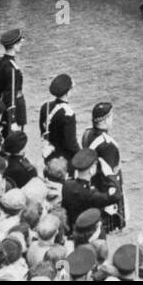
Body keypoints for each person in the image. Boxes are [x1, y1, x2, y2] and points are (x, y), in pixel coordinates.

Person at [81, 101, 125, 234]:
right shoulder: (108, 144)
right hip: (104, 189)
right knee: (109, 227)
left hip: (92, 182)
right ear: (104, 121)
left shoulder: (87, 133)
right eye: (110, 117)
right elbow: (109, 173)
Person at [39, 73, 79, 164]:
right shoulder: (68, 114)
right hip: (63, 160)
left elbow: (42, 131)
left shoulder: (46, 106)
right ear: (67, 92)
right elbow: (71, 144)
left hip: (48, 154)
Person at [0, 27, 27, 132]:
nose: (21, 46)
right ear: (14, 45)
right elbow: (10, 96)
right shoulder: (13, 69)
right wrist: (13, 120)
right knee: (16, 139)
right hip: (14, 108)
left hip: (0, 105)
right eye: (19, 43)